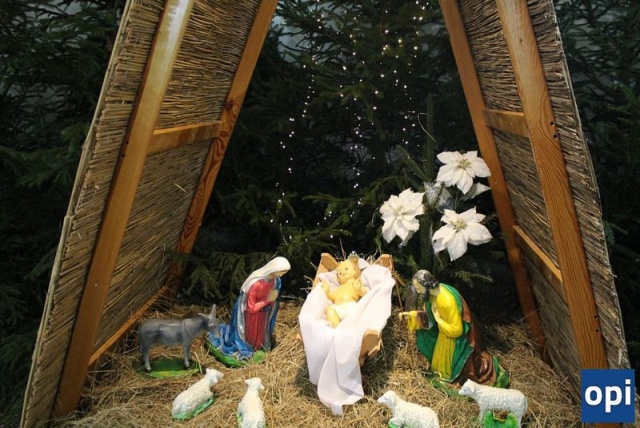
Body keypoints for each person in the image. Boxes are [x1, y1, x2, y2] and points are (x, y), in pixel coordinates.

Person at [400, 270, 502, 386]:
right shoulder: (433, 296)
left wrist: (439, 320)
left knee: (445, 375)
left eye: (419, 288)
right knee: (438, 370)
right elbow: (431, 317)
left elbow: (457, 330)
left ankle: (452, 377)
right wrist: (414, 315)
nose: (418, 292)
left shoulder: (446, 301)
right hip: (444, 336)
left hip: (454, 341)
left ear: (426, 285)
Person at [209, 256, 290, 361]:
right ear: (274, 268)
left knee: (259, 338)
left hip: (263, 315)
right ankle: (246, 348)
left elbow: (273, 299)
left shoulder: (276, 281)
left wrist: (271, 301)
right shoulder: (256, 284)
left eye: (284, 272)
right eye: (281, 271)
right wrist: (266, 301)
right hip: (251, 317)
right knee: (249, 337)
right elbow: (251, 308)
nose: (281, 275)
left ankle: (256, 348)